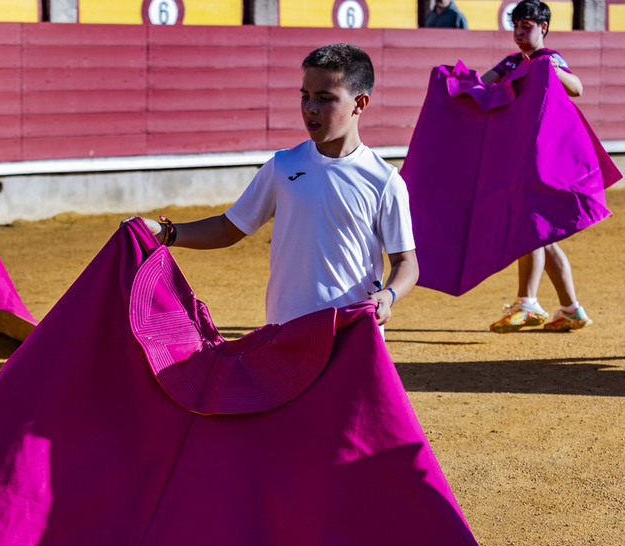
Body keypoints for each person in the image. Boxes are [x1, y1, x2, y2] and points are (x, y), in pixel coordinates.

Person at [128, 43, 419, 329]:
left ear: (360, 103)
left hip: (353, 330)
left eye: (325, 98)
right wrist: (166, 232)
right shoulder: (284, 166)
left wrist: (389, 295)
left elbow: (406, 262)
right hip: (286, 328)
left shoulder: (383, 180)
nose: (310, 108)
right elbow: (229, 227)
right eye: (305, 96)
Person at [480, 0, 592, 334]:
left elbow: (577, 88)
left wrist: (548, 72)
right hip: (520, 157)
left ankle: (527, 303)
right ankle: (570, 309)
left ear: (543, 28)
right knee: (539, 231)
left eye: (525, 26)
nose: (518, 32)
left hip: (544, 160)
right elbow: (484, 86)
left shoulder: (549, 59)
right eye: (515, 26)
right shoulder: (512, 62)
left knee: (531, 228)